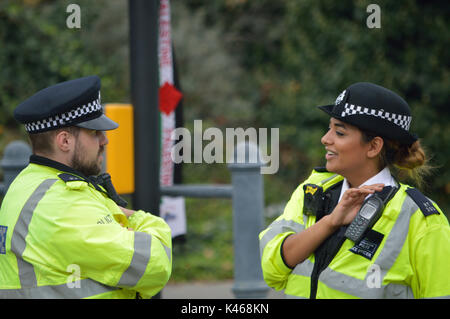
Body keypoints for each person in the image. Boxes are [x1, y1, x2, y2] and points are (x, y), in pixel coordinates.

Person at [259, 82, 450, 299]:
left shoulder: (422, 221)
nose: (325, 138)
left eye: (339, 132)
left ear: (373, 147)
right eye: (329, 128)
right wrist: (330, 222)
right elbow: (271, 270)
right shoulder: (312, 190)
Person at [0, 75, 172, 299]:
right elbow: (153, 266)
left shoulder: (29, 182)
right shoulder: (62, 203)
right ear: (64, 141)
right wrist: (139, 220)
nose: (104, 141)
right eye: (94, 133)